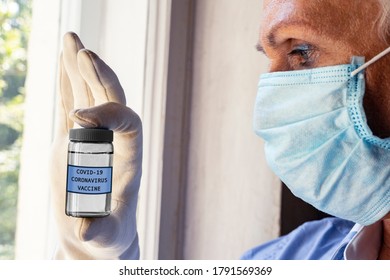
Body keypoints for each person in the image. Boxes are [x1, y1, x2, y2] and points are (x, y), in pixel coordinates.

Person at [50, 0, 390, 260]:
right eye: (268, 58)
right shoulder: (290, 257)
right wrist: (108, 266)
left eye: (301, 50)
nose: (270, 91)